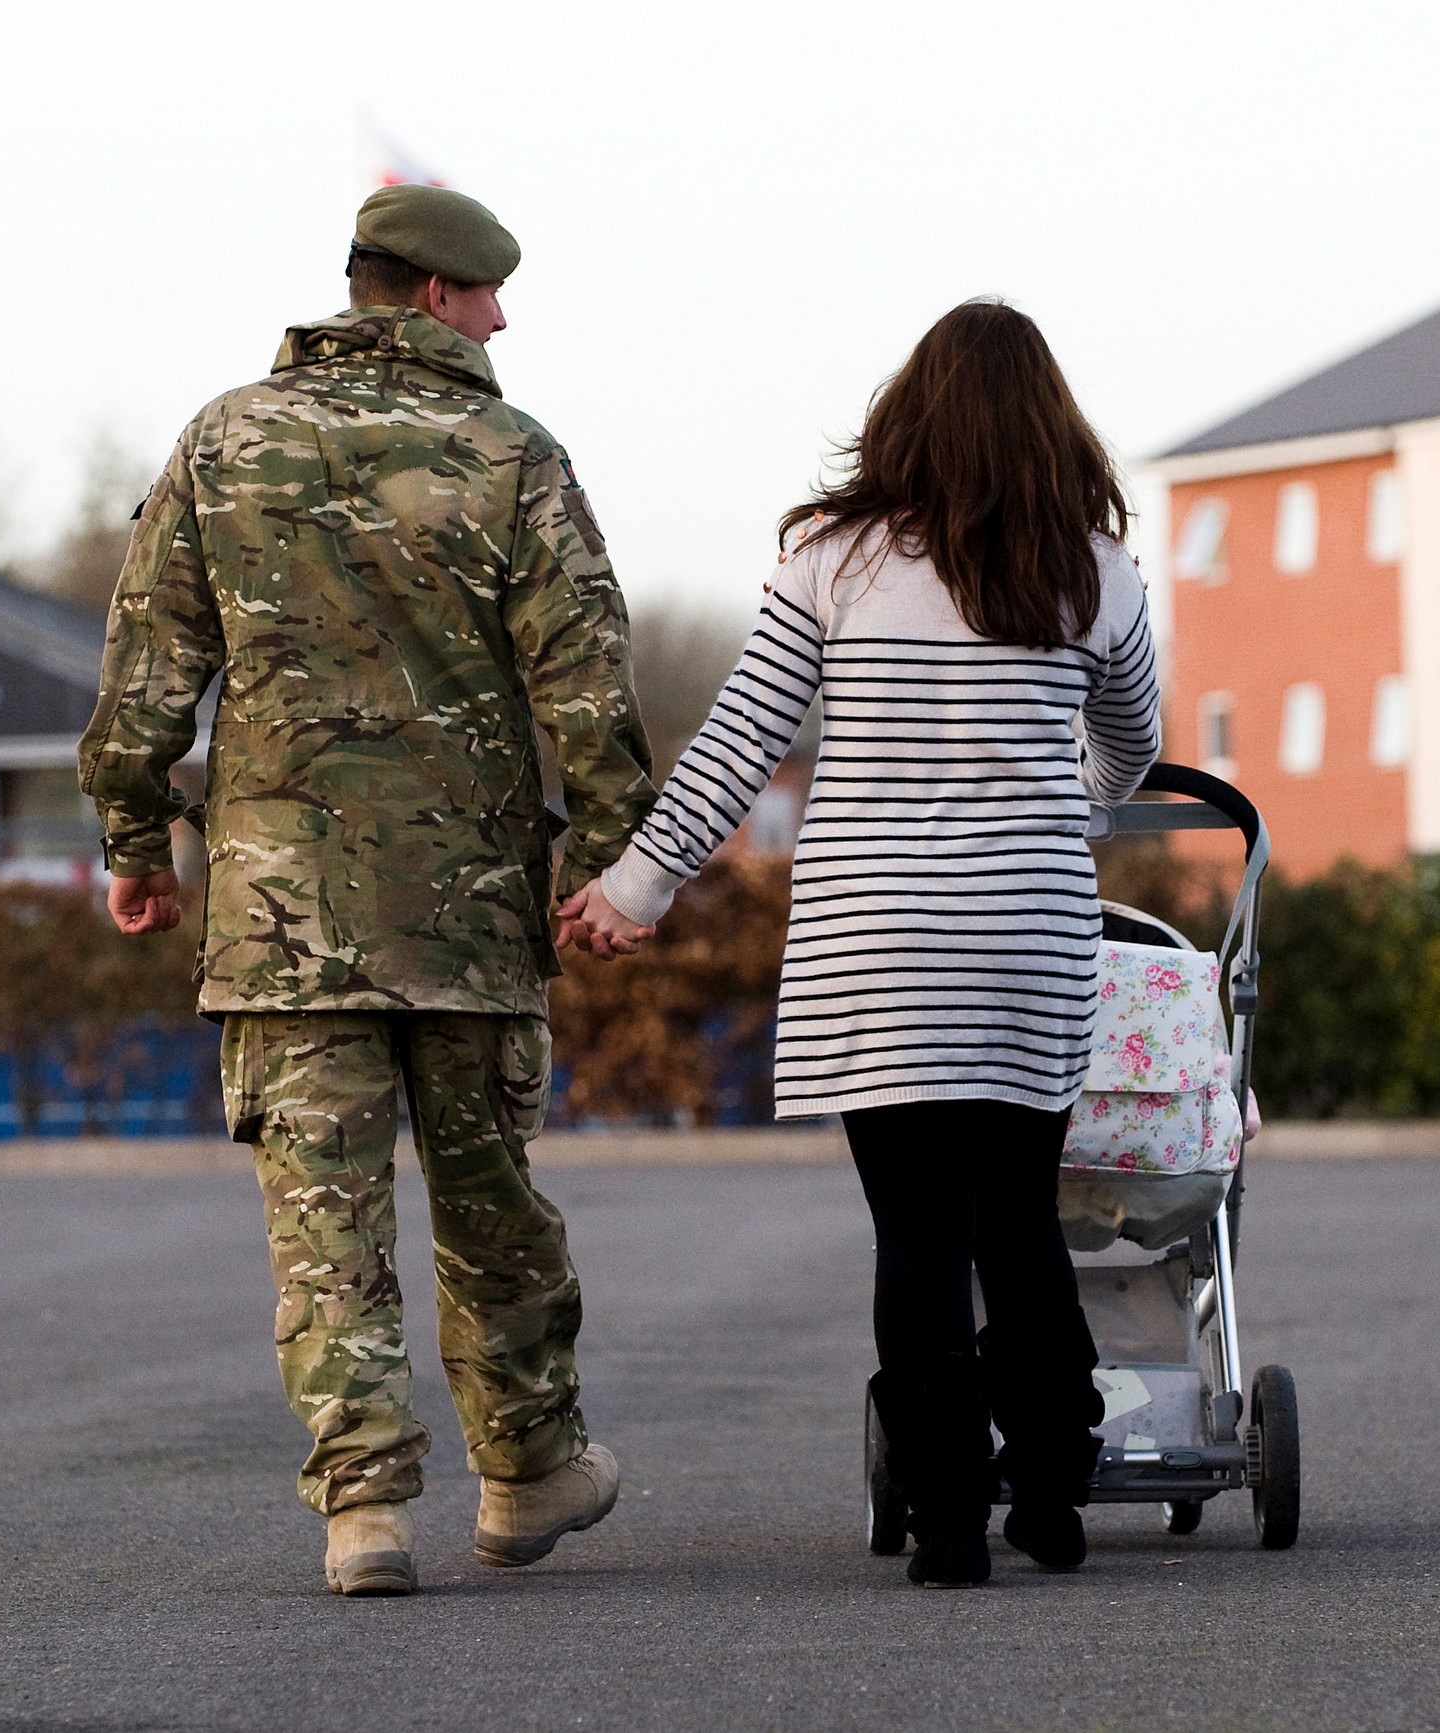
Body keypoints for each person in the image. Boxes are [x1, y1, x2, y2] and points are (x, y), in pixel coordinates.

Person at [81, 183, 657, 1599]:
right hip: (466, 912)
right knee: (489, 1198)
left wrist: (134, 847)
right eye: (484, 293)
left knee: (324, 1221)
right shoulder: (513, 453)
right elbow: (586, 677)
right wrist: (607, 862)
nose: (502, 316)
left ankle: (365, 1512)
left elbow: (149, 663)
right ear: (422, 296)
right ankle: (526, 1478)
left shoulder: (224, 441)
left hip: (281, 920)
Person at [561, 300, 1162, 1587]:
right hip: (1026, 939)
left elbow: (738, 742)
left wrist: (637, 885)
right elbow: (1134, 741)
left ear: (908, 414)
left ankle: (950, 1517)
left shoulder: (831, 559)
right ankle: (1054, 1488)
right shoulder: (1094, 569)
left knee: (919, 1235)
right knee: (1020, 1224)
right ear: (1054, 424)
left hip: (878, 945)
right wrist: (1079, 786)